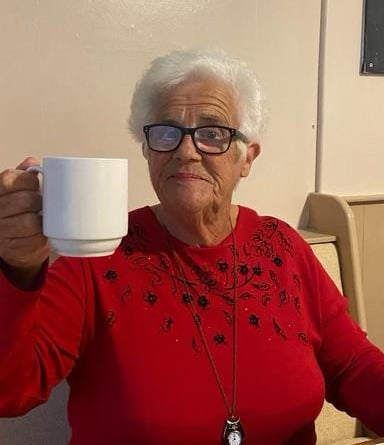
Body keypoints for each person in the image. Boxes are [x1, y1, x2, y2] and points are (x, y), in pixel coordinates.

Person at [0, 48, 383, 445]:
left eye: (213, 133)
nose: (186, 151)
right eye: (166, 132)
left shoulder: (283, 247)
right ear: (148, 150)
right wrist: (18, 266)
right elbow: (11, 390)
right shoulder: (96, 256)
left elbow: (352, 367)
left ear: (246, 157)